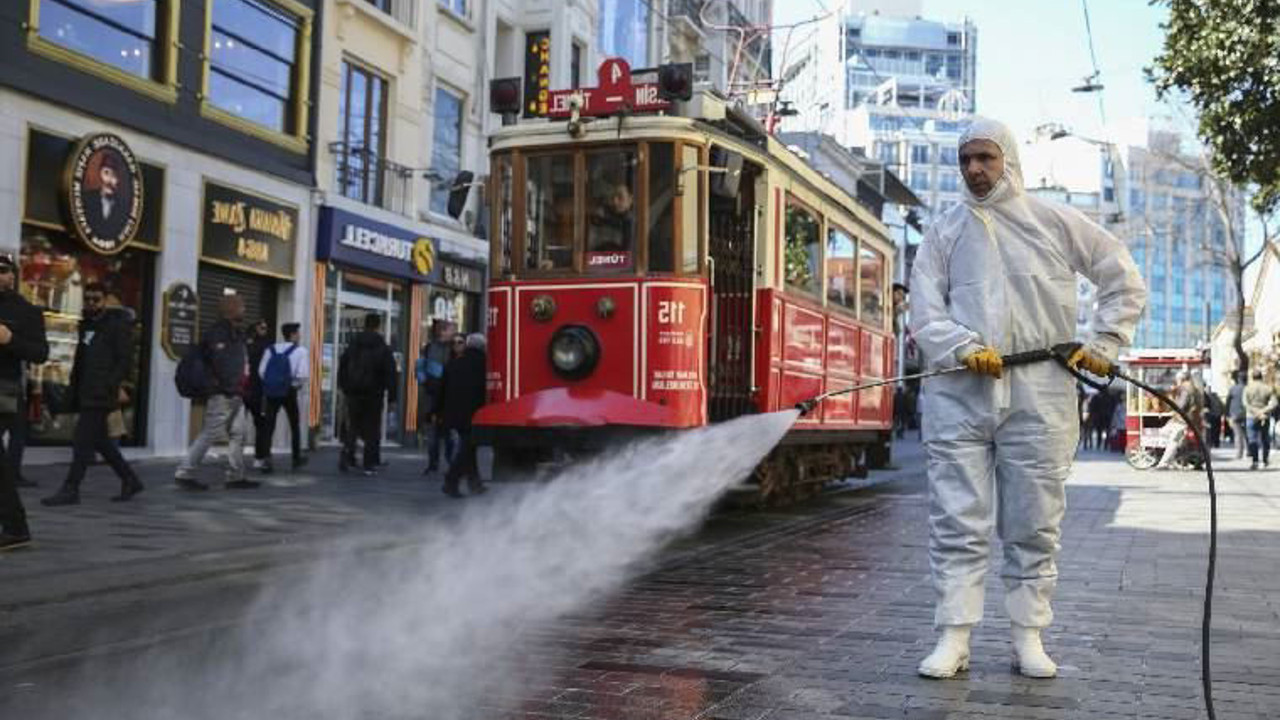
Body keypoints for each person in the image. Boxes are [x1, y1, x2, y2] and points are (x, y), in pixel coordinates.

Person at [908, 117, 1146, 679]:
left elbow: (1122, 277)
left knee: (1034, 520)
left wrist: (1105, 341)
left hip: (1040, 391)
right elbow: (924, 313)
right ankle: (954, 636)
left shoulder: (1054, 222)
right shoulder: (943, 233)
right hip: (958, 392)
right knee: (956, 518)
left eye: (986, 157)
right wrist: (961, 346)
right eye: (966, 160)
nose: (975, 169)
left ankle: (1027, 636)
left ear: (1008, 160)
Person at [41, 283, 143, 506]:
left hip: (101, 393)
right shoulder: (85, 324)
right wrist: (72, 390)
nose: (91, 303)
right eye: (87, 299)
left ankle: (71, 488)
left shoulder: (116, 325)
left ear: (105, 300)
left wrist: (110, 384)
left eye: (96, 299)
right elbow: (81, 360)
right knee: (100, 441)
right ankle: (130, 479)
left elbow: (124, 360)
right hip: (85, 390)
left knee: (81, 440)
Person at [175, 294, 258, 491]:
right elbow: (222, 363)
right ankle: (184, 472)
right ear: (231, 309)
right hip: (224, 393)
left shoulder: (234, 332)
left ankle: (235, 475)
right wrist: (230, 388)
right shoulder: (219, 333)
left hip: (235, 393)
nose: (244, 310)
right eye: (241, 306)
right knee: (211, 432)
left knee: (239, 433)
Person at [0, 253, 48, 550]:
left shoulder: (26, 311)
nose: (1, 275)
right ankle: (16, 526)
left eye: (5, 270)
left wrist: (10, 340)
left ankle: (16, 526)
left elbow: (40, 353)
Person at [337, 313, 397, 476]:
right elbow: (390, 372)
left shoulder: (354, 344)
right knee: (372, 428)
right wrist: (392, 397)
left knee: (353, 426)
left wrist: (344, 386)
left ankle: (347, 457)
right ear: (378, 326)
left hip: (354, 393)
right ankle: (369, 464)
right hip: (374, 394)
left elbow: (342, 365)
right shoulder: (382, 346)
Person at [440, 333, 488, 498]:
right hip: (474, 412)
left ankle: (475, 483)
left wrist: (437, 412)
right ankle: (451, 480)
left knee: (469, 447)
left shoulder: (455, 363)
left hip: (454, 412)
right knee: (468, 448)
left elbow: (443, 389)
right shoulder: (485, 364)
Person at [257, 322, 309, 472]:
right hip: (289, 391)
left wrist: (271, 383)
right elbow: (302, 374)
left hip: (271, 391)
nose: (299, 336)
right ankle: (296, 458)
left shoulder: (270, 349)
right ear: (292, 335)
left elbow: (261, 371)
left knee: (269, 425)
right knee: (294, 424)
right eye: (298, 333)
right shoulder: (300, 351)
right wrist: (296, 385)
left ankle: (266, 458)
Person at [417, 320, 456, 474]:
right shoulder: (428, 348)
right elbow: (419, 366)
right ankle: (433, 463)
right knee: (432, 432)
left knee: (449, 432)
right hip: (432, 395)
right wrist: (424, 381)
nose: (454, 333)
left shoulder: (455, 349)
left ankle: (451, 461)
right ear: (443, 331)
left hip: (448, 396)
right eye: (452, 330)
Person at [1155, 371, 1202, 470]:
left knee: (1173, 441)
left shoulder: (1185, 389)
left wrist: (1172, 401)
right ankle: (1175, 459)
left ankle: (1164, 463)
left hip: (1182, 421)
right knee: (1169, 434)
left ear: (1181, 379)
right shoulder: (1194, 388)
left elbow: (1181, 405)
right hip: (1188, 419)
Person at [246, 319, 274, 473]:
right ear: (256, 328)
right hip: (257, 390)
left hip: (245, 388)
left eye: (266, 327)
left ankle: (258, 457)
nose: (265, 329)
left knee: (259, 425)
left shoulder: (246, 343)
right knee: (262, 425)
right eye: (262, 327)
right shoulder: (268, 346)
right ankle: (260, 457)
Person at [1243, 369, 1277, 470]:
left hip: (1251, 416)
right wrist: (1263, 411)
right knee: (1265, 439)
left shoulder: (1248, 388)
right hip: (1264, 417)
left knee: (1252, 439)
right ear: (1261, 377)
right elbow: (1274, 403)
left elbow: (1245, 403)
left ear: (1252, 377)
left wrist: (1255, 412)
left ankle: (1255, 461)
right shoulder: (1268, 388)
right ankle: (1265, 460)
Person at [1226, 372, 1248, 460]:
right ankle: (1249, 451)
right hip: (1246, 413)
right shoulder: (1247, 388)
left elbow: (1228, 402)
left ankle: (1239, 453)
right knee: (1247, 434)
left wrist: (1227, 414)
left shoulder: (1233, 389)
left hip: (1235, 414)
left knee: (1238, 434)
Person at [1087, 387, 1115, 452]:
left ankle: (1099, 444)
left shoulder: (1096, 397)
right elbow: (1113, 407)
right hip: (1107, 417)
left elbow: (1091, 407)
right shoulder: (1110, 397)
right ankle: (1105, 445)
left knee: (1100, 431)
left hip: (1099, 417)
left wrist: (1092, 415)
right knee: (1106, 432)